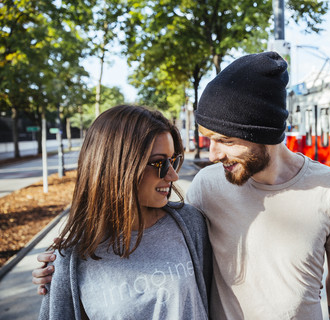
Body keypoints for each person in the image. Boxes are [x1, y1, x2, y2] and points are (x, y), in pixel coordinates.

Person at [34, 52, 330, 319]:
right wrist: (62, 267)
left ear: (263, 136)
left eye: (225, 140)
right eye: (209, 138)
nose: (213, 154)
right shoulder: (208, 186)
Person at [36, 105, 212, 320]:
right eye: (158, 163)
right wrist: (60, 267)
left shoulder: (189, 223)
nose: (173, 176)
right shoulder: (72, 258)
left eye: (173, 160)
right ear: (117, 167)